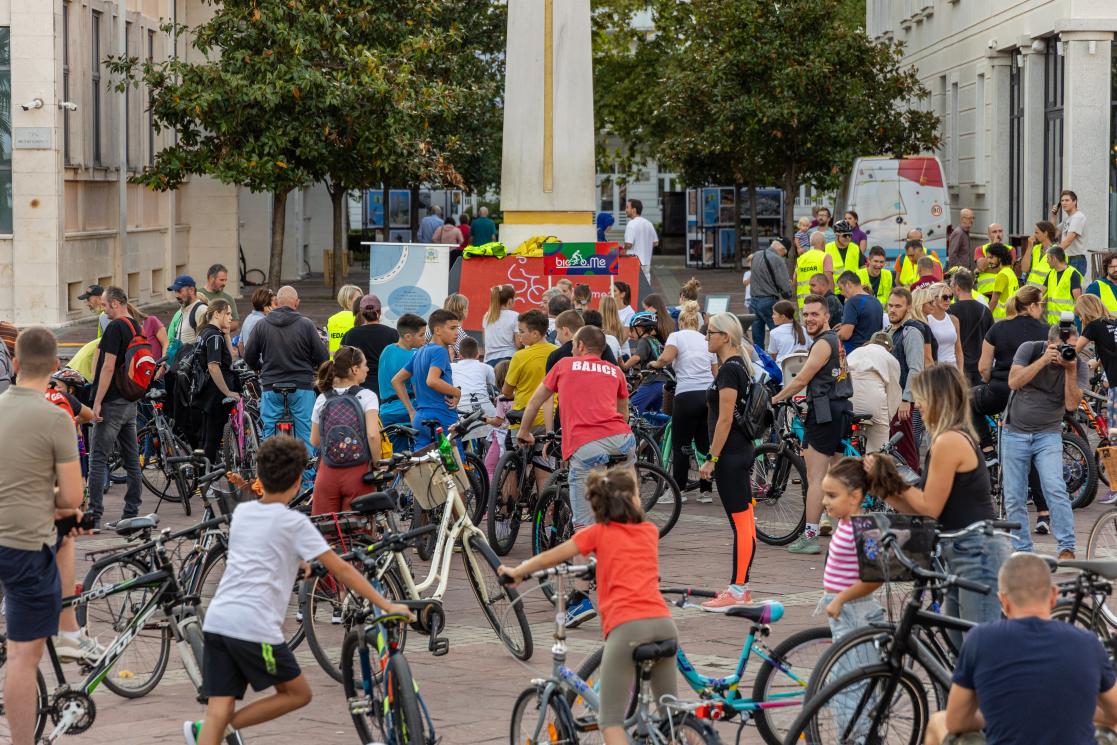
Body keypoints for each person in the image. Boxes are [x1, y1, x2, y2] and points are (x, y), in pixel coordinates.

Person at [185, 437, 409, 745]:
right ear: (297, 483)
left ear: (260, 478)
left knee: (217, 710)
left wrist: (298, 561)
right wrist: (387, 604)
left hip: (219, 621)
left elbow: (261, 553)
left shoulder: (242, 515)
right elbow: (341, 568)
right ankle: (224, 727)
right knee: (297, 693)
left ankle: (216, 728)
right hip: (254, 627)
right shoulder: (294, 522)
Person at [498, 465, 675, 745]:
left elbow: (550, 558)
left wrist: (517, 572)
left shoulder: (597, 534)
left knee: (610, 722)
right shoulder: (648, 531)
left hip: (627, 629)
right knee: (670, 718)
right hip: (665, 625)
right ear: (631, 501)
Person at [923, 553, 1117, 745]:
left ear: (1003, 601)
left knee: (938, 722)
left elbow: (956, 721)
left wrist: (996, 714)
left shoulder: (980, 640)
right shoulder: (1088, 643)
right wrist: (1071, 710)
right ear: (1053, 595)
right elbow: (1114, 712)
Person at [869, 364, 1009, 626]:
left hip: (976, 553)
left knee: (976, 649)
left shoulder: (950, 441)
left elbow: (928, 507)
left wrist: (890, 479)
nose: (918, 405)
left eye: (922, 397)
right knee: (960, 647)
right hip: (959, 552)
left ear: (939, 399)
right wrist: (882, 488)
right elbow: (919, 510)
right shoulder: (943, 439)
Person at [0, 327, 84, 745]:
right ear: (56, 367)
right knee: (22, 656)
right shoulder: (56, 416)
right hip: (24, 545)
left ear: (13, 363)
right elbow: (71, 497)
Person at [771, 295, 853, 554]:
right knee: (837, 477)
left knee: (816, 478)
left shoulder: (822, 344)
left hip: (824, 412)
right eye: (805, 314)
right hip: (841, 410)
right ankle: (845, 535)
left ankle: (810, 537)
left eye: (814, 314)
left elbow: (801, 379)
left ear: (827, 316)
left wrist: (774, 398)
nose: (809, 319)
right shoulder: (836, 341)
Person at [1003, 321, 1088, 559]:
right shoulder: (1029, 349)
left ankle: (1067, 548)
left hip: (1048, 434)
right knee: (1014, 495)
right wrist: (1042, 361)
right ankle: (1022, 551)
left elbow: (1071, 404)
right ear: (1051, 344)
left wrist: (1069, 370)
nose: (1069, 352)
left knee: (1056, 488)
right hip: (1014, 432)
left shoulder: (1077, 365)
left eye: (1073, 346)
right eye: (1064, 347)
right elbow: (1013, 382)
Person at [698, 313, 761, 605]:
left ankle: (737, 590)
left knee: (742, 523)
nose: (706, 337)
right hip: (741, 449)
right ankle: (741, 587)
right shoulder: (740, 365)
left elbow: (724, 419)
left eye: (710, 333)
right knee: (745, 521)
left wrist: (712, 457)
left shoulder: (728, 370)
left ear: (726, 336)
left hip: (731, 453)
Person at [86, 287, 144, 529]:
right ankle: (131, 512)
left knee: (98, 459)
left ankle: (94, 516)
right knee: (132, 460)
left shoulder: (115, 327)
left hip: (111, 402)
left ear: (117, 304)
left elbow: (108, 367)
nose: (104, 310)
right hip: (131, 400)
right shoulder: (135, 326)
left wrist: (97, 400)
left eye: (106, 305)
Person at [243, 285, 329, 446]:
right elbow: (323, 357)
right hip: (301, 387)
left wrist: (260, 367)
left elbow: (249, 356)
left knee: (269, 432)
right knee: (306, 433)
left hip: (271, 387)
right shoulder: (306, 325)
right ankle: (307, 470)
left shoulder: (262, 325)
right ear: (296, 303)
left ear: (276, 302)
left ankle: (270, 469)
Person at [649, 301, 716, 501]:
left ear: (680, 322)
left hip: (686, 394)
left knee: (681, 445)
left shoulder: (676, 336)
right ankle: (706, 491)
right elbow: (715, 372)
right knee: (704, 442)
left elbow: (666, 358)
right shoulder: (706, 339)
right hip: (707, 395)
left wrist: (655, 363)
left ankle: (679, 490)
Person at [972, 285, 1049, 457]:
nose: (1042, 307)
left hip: (1001, 391)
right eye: (1041, 303)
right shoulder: (1047, 330)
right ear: (1031, 306)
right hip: (1036, 394)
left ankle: (987, 449)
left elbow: (983, 367)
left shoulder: (998, 329)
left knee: (967, 401)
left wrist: (990, 379)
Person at [308, 347, 381, 515]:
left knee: (326, 530)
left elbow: (315, 440)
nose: (367, 369)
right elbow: (372, 434)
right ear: (355, 369)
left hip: (327, 473)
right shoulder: (367, 396)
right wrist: (377, 463)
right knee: (358, 532)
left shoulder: (323, 398)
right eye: (364, 365)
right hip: (358, 472)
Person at [392, 309, 462, 449]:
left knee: (423, 468)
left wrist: (411, 410)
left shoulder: (419, 352)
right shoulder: (440, 351)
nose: (457, 333)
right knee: (454, 465)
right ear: (437, 330)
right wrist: (457, 392)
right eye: (452, 328)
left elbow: (396, 380)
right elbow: (432, 381)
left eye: (457, 328)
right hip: (442, 416)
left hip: (420, 418)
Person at [888, 287, 934, 473]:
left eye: (897, 306)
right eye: (890, 305)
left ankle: (913, 495)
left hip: (905, 403)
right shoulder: (889, 330)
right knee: (896, 451)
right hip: (891, 401)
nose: (892, 309)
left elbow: (916, 368)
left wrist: (907, 400)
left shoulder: (912, 332)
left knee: (908, 452)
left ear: (908, 308)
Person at [1077, 294, 1117, 504]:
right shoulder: (1113, 322)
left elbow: (1074, 351)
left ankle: (1115, 487)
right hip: (1114, 382)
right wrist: (1099, 364)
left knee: (1113, 437)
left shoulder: (1092, 326)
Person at [197, 301, 240, 464]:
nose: (231, 318)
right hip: (214, 395)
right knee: (212, 439)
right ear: (217, 314)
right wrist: (227, 392)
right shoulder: (214, 336)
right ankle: (206, 482)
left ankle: (206, 476)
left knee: (208, 438)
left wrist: (227, 334)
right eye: (227, 314)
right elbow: (214, 366)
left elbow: (230, 359)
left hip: (207, 394)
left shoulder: (208, 332)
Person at [377, 313, 426, 450]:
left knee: (396, 458)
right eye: (421, 335)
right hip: (406, 412)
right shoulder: (415, 355)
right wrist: (411, 410)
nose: (424, 339)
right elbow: (418, 388)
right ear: (408, 337)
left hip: (386, 412)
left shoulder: (387, 350)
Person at [502, 309, 556, 432]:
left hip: (524, 418)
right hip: (551, 418)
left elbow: (506, 391)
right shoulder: (557, 352)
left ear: (535, 334)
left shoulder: (519, 356)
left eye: (521, 331)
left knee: (514, 448)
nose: (518, 335)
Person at [847, 332, 901, 453]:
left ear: (870, 342)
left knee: (844, 437)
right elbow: (894, 393)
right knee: (879, 442)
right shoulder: (890, 359)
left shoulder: (855, 352)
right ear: (890, 349)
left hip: (848, 399)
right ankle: (876, 465)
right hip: (873, 400)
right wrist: (888, 418)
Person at [340, 294, 398, 390]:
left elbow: (342, 363)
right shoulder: (393, 334)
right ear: (379, 312)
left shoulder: (350, 335)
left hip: (358, 388)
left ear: (362, 313)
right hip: (386, 388)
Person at [947, 269, 993, 386]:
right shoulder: (985, 310)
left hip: (959, 366)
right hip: (980, 366)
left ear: (957, 287)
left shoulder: (950, 311)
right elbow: (992, 340)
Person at [747, 238, 792, 347]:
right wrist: (788, 294)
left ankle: (760, 359)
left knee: (757, 336)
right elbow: (784, 284)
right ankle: (778, 359)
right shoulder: (777, 259)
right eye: (784, 254)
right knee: (778, 332)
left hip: (753, 301)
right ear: (782, 248)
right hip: (768, 301)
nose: (783, 257)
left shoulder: (756, 255)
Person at [623, 312, 668, 413]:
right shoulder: (656, 341)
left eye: (632, 330)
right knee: (654, 415)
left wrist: (623, 366)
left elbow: (636, 357)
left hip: (652, 382)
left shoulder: (644, 340)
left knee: (630, 409)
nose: (630, 335)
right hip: (663, 384)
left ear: (640, 329)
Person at [914, 283, 963, 372]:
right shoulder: (926, 320)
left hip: (953, 368)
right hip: (936, 369)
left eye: (950, 297)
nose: (948, 300)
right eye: (944, 297)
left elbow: (958, 349)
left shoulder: (954, 320)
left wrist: (961, 371)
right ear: (933, 298)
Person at [548, 310, 618, 371]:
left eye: (557, 332)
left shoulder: (556, 355)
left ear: (565, 330)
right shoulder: (601, 347)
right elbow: (616, 372)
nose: (556, 337)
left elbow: (549, 384)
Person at [836, 271, 884, 354]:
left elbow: (845, 334)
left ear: (848, 284)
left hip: (854, 354)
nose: (841, 293)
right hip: (873, 353)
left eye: (841, 289)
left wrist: (835, 334)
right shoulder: (876, 302)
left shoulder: (852, 302)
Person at [169, 274, 208, 356]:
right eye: (175, 291)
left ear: (191, 290)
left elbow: (205, 343)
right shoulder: (184, 310)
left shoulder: (201, 310)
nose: (176, 295)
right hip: (180, 364)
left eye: (179, 291)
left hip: (193, 366)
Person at [1043, 245, 1083, 324]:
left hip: (1068, 323)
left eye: (1048, 258)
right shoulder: (1051, 273)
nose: (1047, 261)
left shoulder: (1072, 273)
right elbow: (1040, 292)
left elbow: (1078, 300)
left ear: (1054, 258)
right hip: (1052, 322)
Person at [796, 231, 835, 309]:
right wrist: (832, 300)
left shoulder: (801, 258)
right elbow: (829, 280)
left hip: (803, 303)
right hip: (819, 303)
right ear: (824, 244)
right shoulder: (825, 256)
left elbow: (794, 281)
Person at [197, 264, 240, 333]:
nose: (224, 283)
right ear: (211, 278)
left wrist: (217, 331)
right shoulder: (198, 295)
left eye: (225, 280)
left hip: (221, 340)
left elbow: (235, 323)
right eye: (221, 280)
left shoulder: (228, 298)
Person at [483, 284, 519, 367]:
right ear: (510, 301)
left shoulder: (487, 316)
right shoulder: (515, 316)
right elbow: (518, 343)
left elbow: (485, 340)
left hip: (489, 360)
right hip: (509, 358)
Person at [623, 198, 658, 281]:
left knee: (633, 288)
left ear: (634, 209)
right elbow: (656, 242)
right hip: (646, 262)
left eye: (627, 207)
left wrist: (622, 250)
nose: (625, 210)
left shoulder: (631, 224)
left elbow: (628, 244)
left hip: (633, 261)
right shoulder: (648, 223)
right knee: (646, 288)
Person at [1055, 189, 1088, 275]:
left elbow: (1069, 240)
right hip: (1068, 258)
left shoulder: (1078, 217)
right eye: (1062, 201)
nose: (1064, 203)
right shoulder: (1067, 218)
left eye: (1067, 200)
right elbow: (1054, 234)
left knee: (1073, 288)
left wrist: (1054, 253)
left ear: (1074, 202)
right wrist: (1054, 216)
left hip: (1076, 260)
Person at [766, 300, 809, 364]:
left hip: (784, 369)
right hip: (803, 367)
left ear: (783, 317)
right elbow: (809, 348)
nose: (772, 316)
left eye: (774, 314)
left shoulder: (774, 332)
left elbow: (773, 354)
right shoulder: (804, 329)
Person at [983, 243, 1018, 321]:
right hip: (1011, 315)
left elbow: (994, 301)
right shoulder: (1010, 272)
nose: (988, 260)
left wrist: (985, 318)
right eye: (987, 258)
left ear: (1000, 258)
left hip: (1001, 318)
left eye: (991, 257)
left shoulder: (1002, 275)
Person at [326, 284, 363, 355]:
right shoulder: (359, 319)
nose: (361, 301)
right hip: (354, 362)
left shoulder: (331, 319)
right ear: (348, 300)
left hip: (334, 362)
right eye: (358, 299)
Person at [238, 287, 274, 356]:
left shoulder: (248, 318)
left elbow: (240, 344)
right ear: (266, 305)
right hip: (261, 364)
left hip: (250, 363)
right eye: (273, 301)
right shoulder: (263, 322)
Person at [1022, 220, 1057, 288]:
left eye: (1037, 233)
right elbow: (1024, 269)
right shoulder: (1035, 249)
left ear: (1045, 233)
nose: (1034, 235)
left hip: (1045, 293)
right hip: (1031, 290)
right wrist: (1029, 247)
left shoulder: (1056, 251)